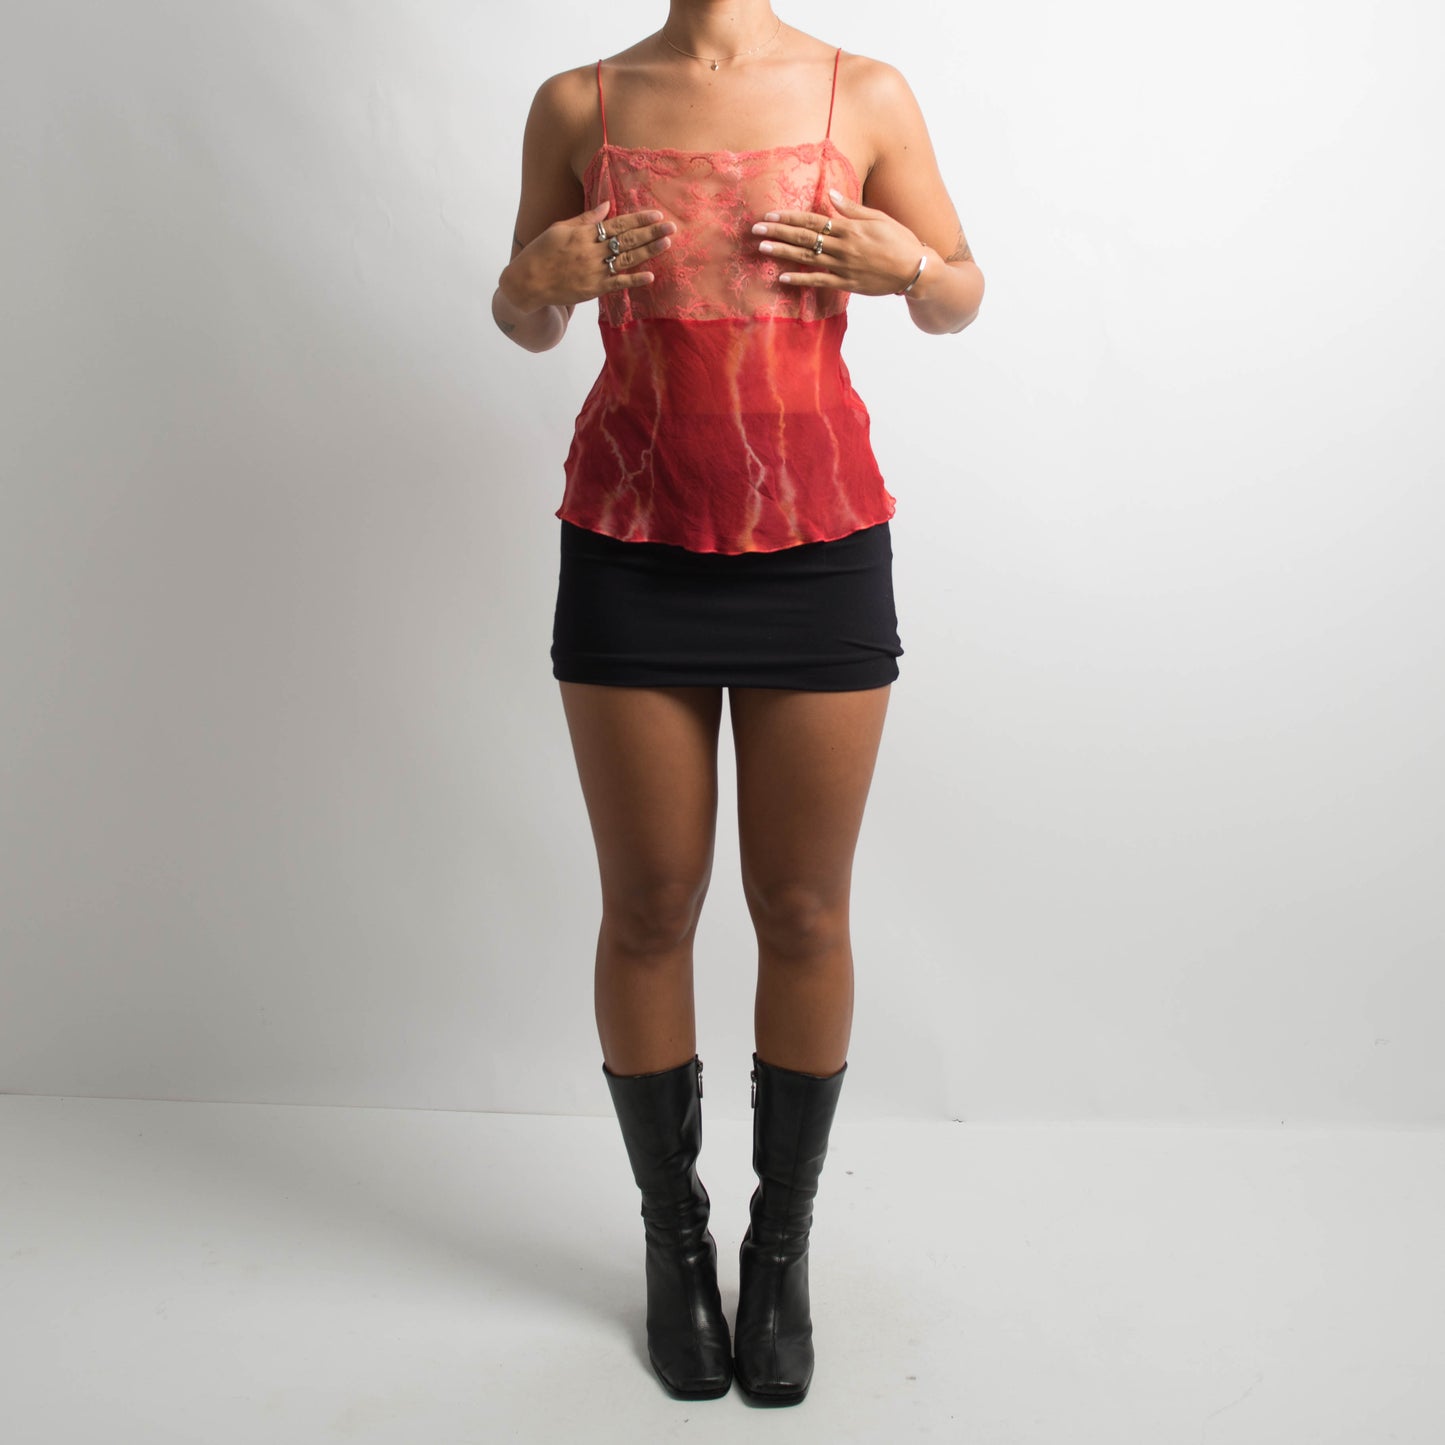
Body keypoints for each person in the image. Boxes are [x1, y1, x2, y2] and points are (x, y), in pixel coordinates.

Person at [492, 2, 983, 1407]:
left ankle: (777, 1254)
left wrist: (909, 268)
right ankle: (674, 1241)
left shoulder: (863, 89)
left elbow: (958, 291)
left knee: (803, 907)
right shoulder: (579, 101)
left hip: (819, 538)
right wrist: (532, 279)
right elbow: (527, 316)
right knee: (649, 904)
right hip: (628, 535)